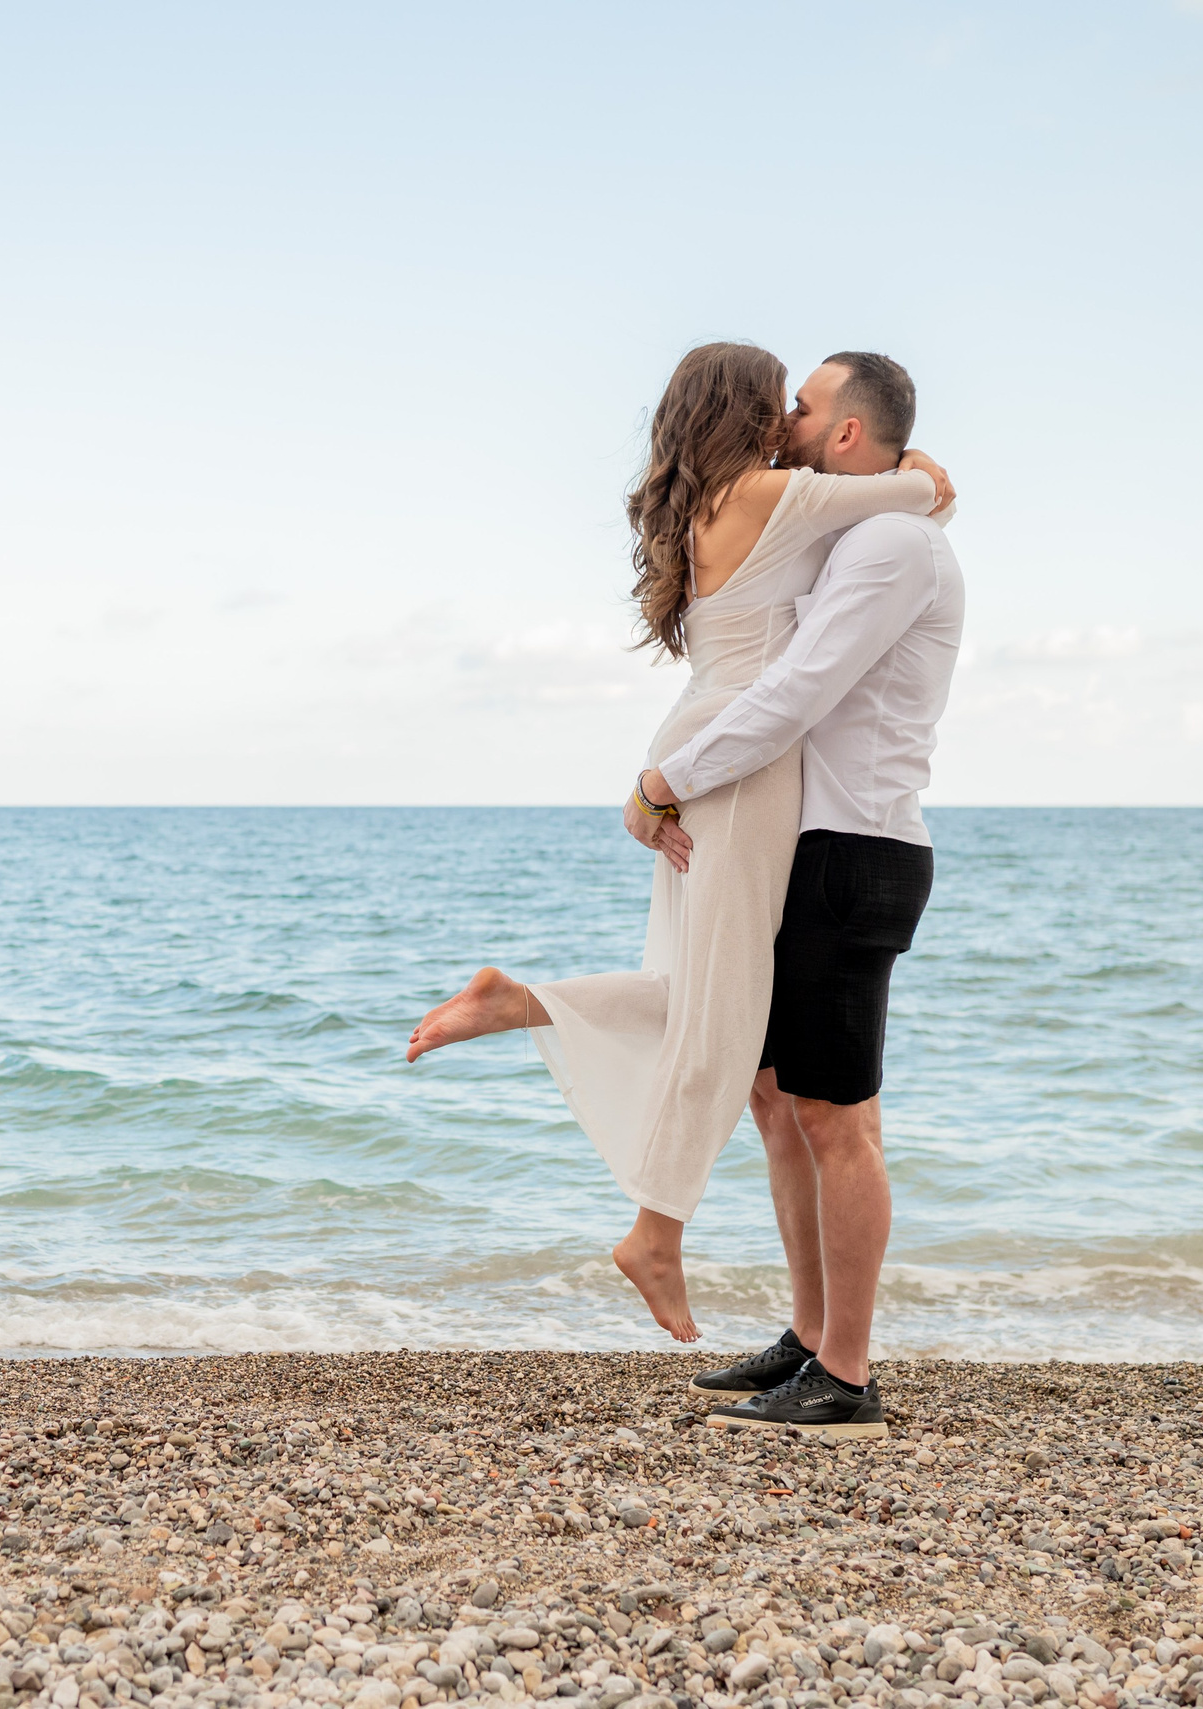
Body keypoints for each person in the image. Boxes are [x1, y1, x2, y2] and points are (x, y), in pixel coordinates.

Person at [405, 345, 954, 1377]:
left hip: (707, 742)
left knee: (714, 999)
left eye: (802, 406)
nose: (789, 421)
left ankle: (524, 1004)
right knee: (724, 1005)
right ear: (748, 413)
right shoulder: (779, 497)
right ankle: (656, 1228)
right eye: (781, 403)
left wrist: (660, 779)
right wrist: (921, 468)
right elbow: (920, 492)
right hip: (740, 761)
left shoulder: (708, 502)